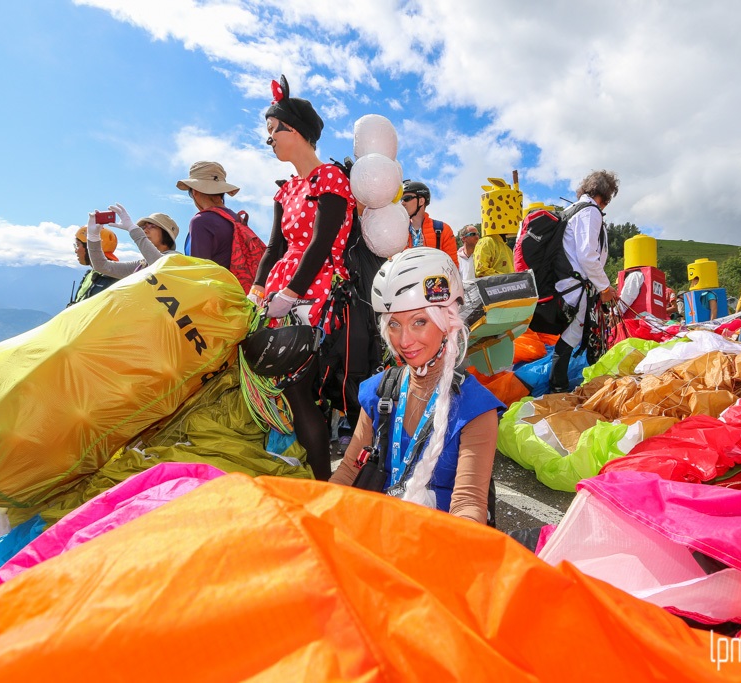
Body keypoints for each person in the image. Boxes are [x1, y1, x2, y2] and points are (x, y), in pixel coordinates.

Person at [330, 248, 503, 522]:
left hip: (440, 543)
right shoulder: (380, 391)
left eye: (419, 322)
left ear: (447, 323)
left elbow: (468, 503)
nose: (404, 341)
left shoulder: (476, 408)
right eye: (395, 325)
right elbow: (348, 472)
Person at [250, 75, 356, 482]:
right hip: (283, 290)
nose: (269, 139)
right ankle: (317, 477)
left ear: (297, 131)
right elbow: (274, 248)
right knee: (294, 390)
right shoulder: (287, 190)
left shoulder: (329, 178)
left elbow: (321, 243)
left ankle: (322, 483)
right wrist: (258, 287)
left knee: (297, 387)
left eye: (274, 130)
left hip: (316, 292)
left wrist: (292, 293)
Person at [548, 170, 619, 394]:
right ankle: (558, 387)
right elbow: (588, 255)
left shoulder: (572, 210)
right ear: (605, 195)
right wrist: (605, 288)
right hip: (575, 287)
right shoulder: (591, 212)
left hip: (564, 283)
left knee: (572, 334)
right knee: (573, 334)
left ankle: (559, 384)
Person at [85, 204, 181, 278]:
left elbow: (159, 264)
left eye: (153, 226)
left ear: (165, 234)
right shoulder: (142, 265)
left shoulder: (175, 258)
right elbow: (102, 266)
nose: (145, 230)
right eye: (144, 227)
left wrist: (133, 229)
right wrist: (93, 237)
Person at [176, 161, 241, 270]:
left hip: (216, 286)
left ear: (195, 191)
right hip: (243, 286)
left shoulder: (201, 221)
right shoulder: (237, 219)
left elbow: (199, 271)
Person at [400, 180, 458, 267]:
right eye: (401, 200)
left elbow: (453, 267)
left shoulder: (442, 229)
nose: (402, 203)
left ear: (421, 201)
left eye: (406, 198)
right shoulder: (397, 232)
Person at [69, 226, 120, 306]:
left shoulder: (114, 278)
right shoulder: (90, 274)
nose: (76, 250)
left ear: (90, 246)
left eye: (78, 245)